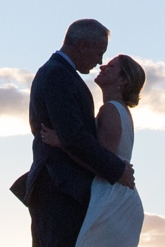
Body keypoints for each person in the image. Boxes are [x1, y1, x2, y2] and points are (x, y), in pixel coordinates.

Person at [11, 20, 138, 247]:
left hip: (65, 190)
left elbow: (73, 137)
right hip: (60, 188)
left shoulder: (61, 74)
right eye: (99, 53)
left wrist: (63, 140)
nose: (99, 62)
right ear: (83, 46)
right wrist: (117, 169)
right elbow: (74, 136)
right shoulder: (58, 75)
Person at [40, 53, 146, 247]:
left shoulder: (110, 110)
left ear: (123, 80)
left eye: (111, 67)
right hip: (119, 196)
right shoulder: (119, 110)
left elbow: (100, 160)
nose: (103, 67)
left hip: (111, 198)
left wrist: (62, 141)